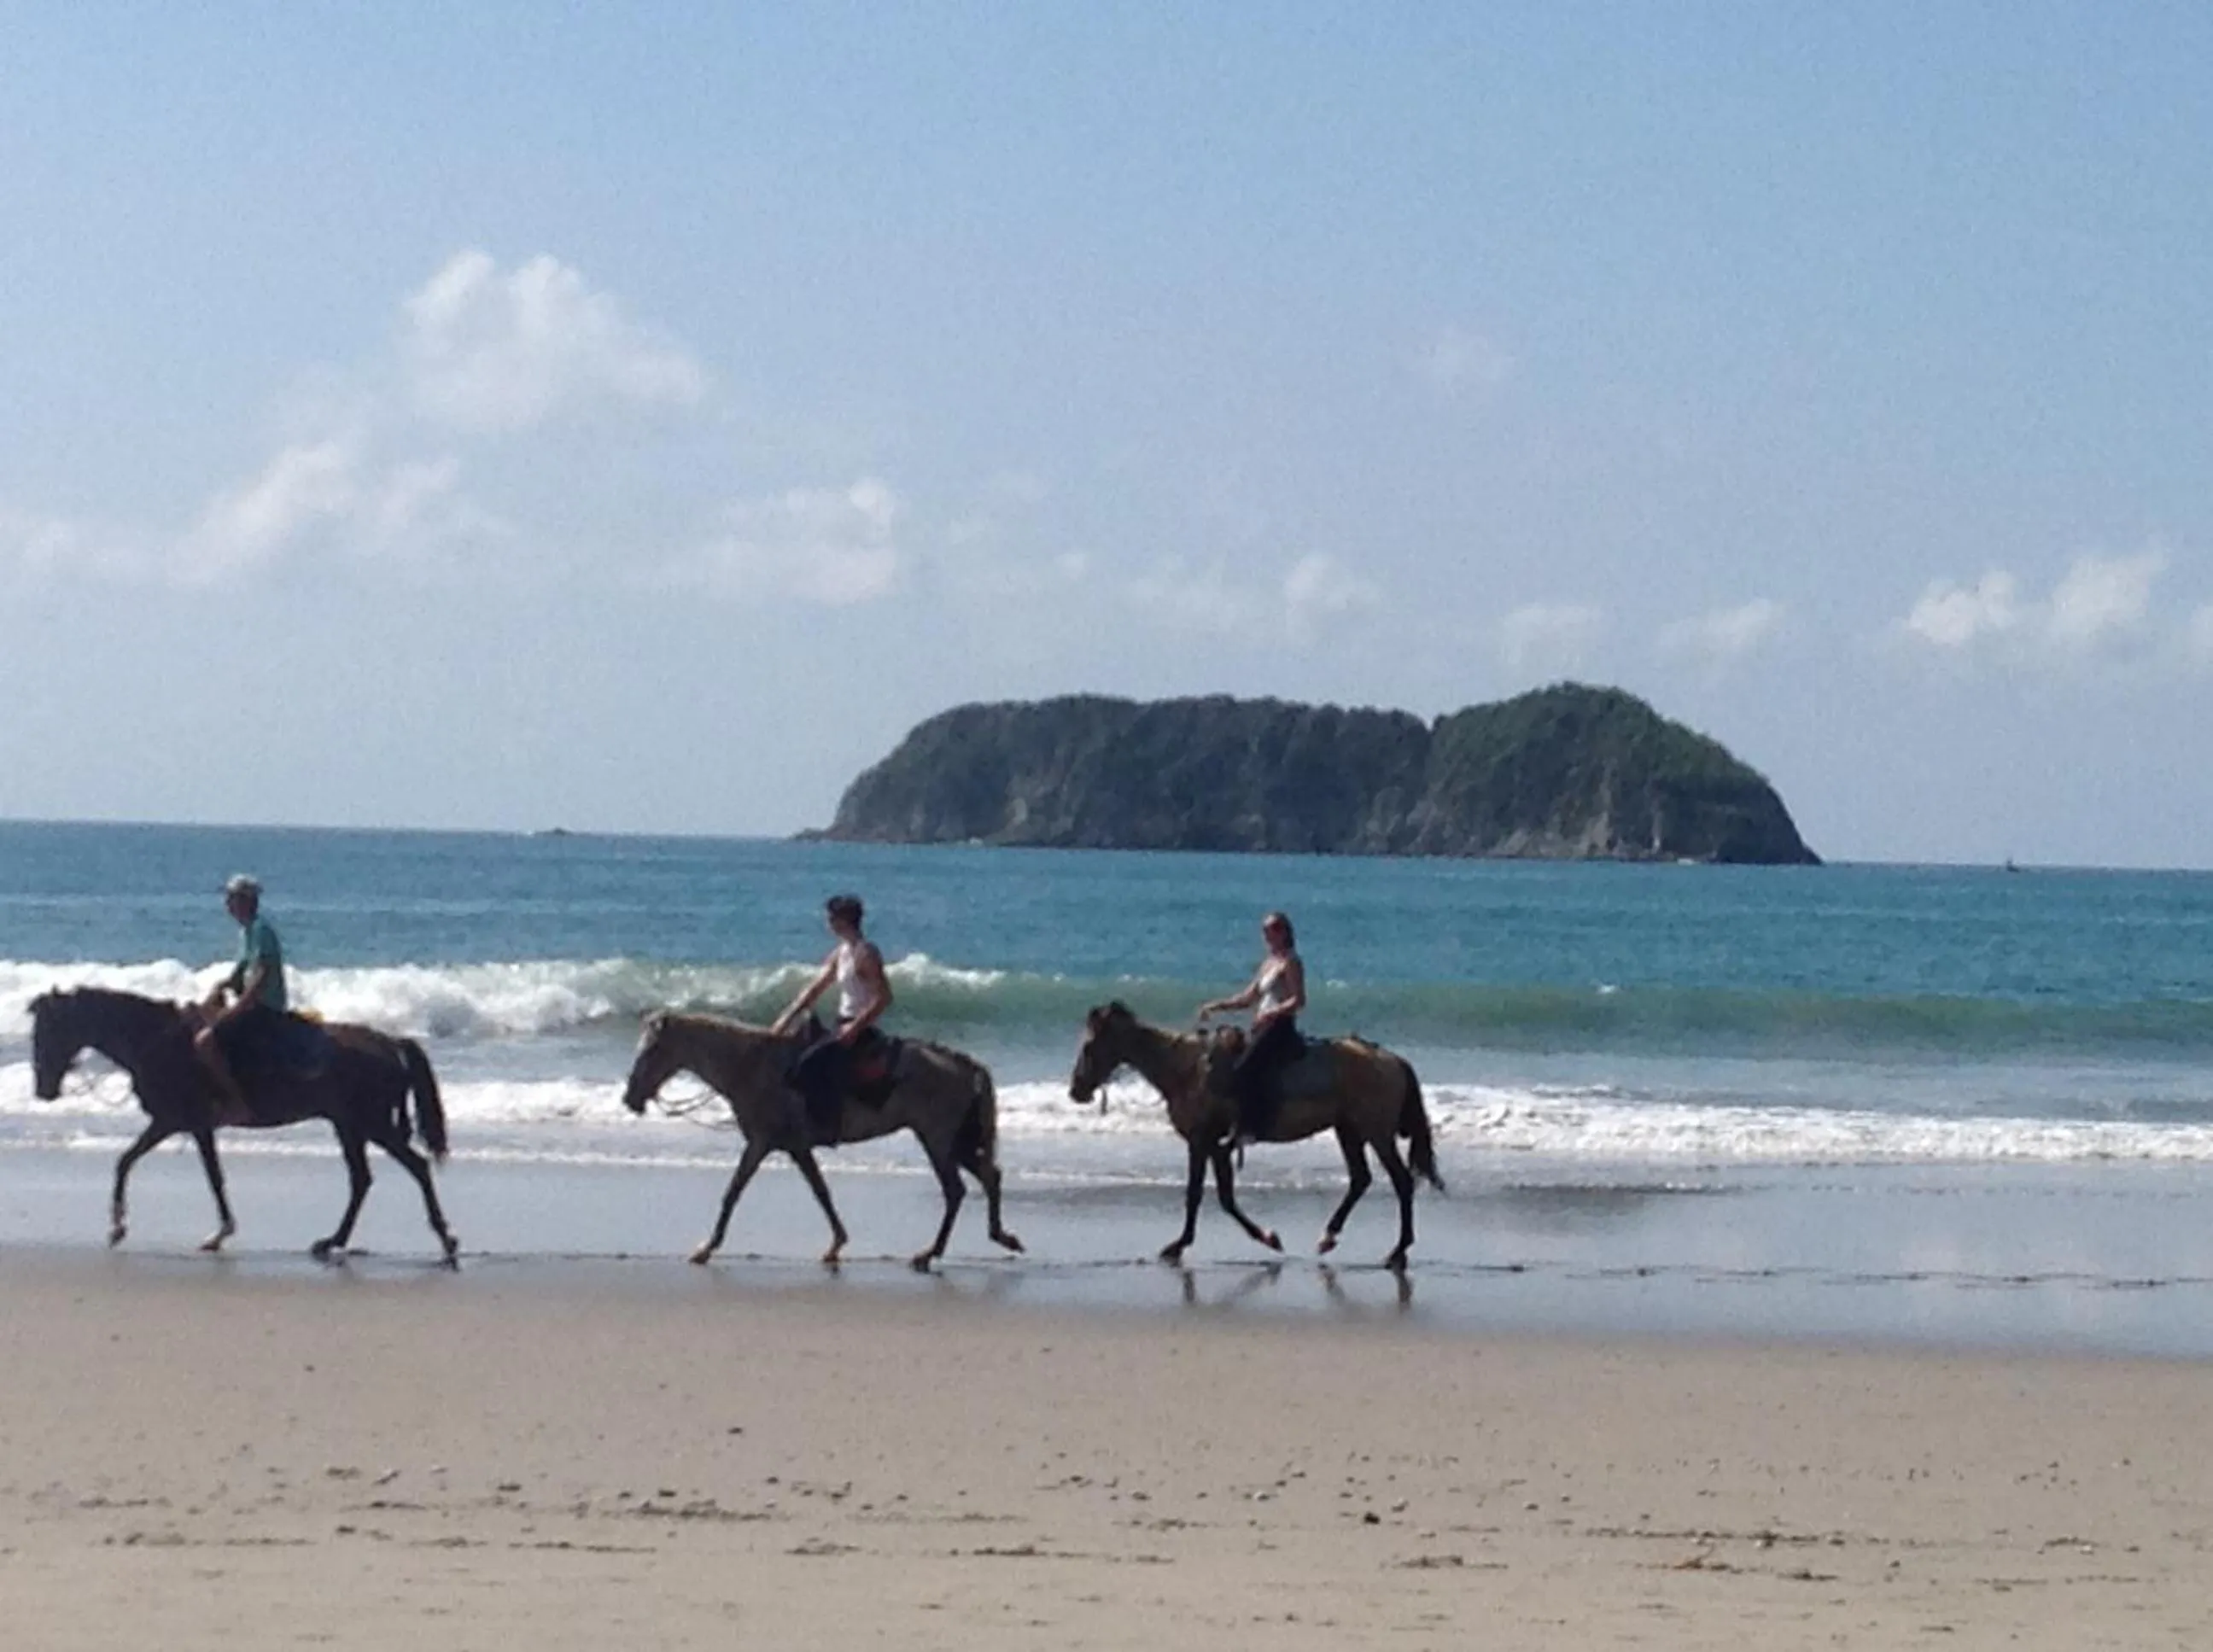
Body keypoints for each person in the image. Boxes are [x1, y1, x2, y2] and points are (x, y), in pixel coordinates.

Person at [772, 894, 895, 1141]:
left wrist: (855, 1028)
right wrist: (787, 1017)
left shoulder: (866, 953)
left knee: (808, 1065)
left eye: (831, 918)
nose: (828, 923)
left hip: (859, 1030)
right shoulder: (842, 952)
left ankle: (825, 1125)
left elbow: (884, 998)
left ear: (844, 920)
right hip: (841, 1023)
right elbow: (816, 988)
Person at [1196, 910, 1307, 1143]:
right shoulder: (1268, 963)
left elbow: (1298, 1000)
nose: (1266, 936)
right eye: (1264, 932)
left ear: (1283, 933)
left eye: (1271, 931)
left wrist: (1271, 1013)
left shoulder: (1291, 962)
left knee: (1244, 1069)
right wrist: (1217, 1006)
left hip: (1280, 1027)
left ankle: (1250, 1127)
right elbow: (1248, 998)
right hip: (1263, 1026)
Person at [195, 873, 290, 1124]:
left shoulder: (261, 931)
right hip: (252, 1005)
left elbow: (261, 976)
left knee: (205, 1042)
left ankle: (237, 1103)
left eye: (232, 898)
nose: (227, 904)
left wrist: (239, 1007)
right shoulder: (246, 932)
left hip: (265, 1008)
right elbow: (240, 974)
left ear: (246, 901)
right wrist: (220, 988)